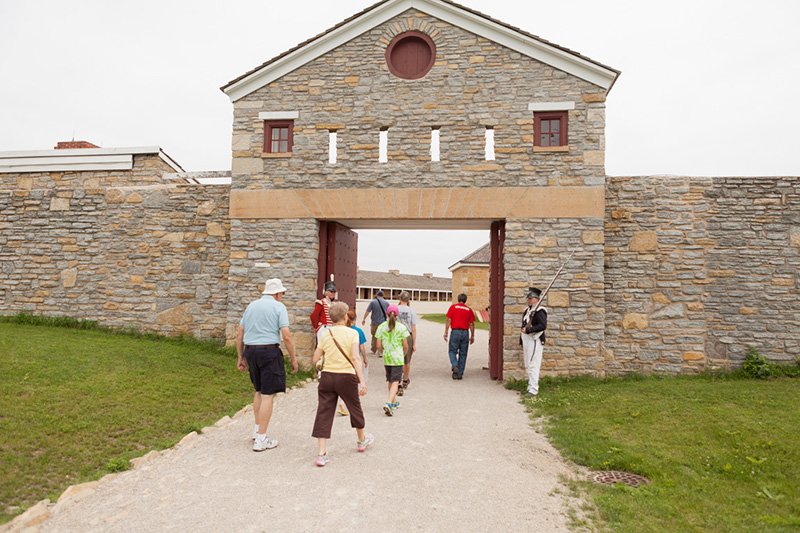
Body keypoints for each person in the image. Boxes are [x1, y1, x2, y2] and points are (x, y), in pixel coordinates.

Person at [236, 278, 298, 452]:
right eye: (282, 293)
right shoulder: (279, 307)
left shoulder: (251, 306)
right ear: (278, 293)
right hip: (269, 351)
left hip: (251, 351)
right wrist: (293, 359)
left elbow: (240, 332)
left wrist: (240, 356)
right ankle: (262, 439)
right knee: (268, 395)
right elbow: (286, 336)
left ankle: (257, 431)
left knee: (258, 391)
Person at [311, 301, 372, 466]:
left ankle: (321, 453)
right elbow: (355, 358)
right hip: (346, 376)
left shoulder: (325, 334)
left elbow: (315, 359)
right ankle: (361, 440)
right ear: (345, 317)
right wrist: (362, 382)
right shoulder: (352, 334)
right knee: (354, 407)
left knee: (324, 411)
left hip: (328, 376)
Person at [375, 305, 409, 416]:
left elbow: (378, 345)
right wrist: (404, 353)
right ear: (397, 315)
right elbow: (405, 345)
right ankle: (389, 402)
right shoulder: (401, 327)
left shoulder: (381, 327)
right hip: (397, 357)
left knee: (390, 380)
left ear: (387, 314)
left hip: (387, 357)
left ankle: (394, 402)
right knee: (396, 381)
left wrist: (382, 351)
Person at [336, 310, 369, 416]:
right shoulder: (358, 331)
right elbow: (362, 347)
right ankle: (344, 403)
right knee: (353, 383)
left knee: (345, 382)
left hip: (343, 358)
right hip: (354, 358)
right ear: (355, 318)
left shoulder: (342, 330)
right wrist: (364, 358)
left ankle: (343, 401)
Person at [520, 287, 547, 396]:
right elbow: (522, 326)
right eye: (529, 298)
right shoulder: (527, 311)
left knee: (533, 365)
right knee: (528, 364)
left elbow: (542, 326)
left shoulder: (540, 310)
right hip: (526, 340)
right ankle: (530, 387)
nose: (529, 300)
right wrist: (521, 341)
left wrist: (529, 330)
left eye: (531, 298)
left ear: (537, 299)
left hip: (534, 340)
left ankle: (534, 389)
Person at [443, 293, 475, 380]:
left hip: (455, 332)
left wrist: (446, 332)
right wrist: (472, 336)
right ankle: (460, 374)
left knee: (452, 351)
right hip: (465, 332)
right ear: (465, 300)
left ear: (458, 299)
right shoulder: (469, 310)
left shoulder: (453, 307)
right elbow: (471, 324)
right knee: (463, 353)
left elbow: (449, 320)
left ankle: (454, 365)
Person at [395, 291, 418, 395]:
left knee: (397, 359)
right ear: (408, 299)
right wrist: (413, 343)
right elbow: (413, 328)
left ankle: (398, 382)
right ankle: (405, 380)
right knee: (406, 360)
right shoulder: (412, 311)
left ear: (399, 298)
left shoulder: (395, 310)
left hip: (397, 335)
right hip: (407, 335)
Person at [362, 290, 389, 354]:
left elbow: (368, 311)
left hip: (374, 322)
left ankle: (374, 349)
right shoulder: (387, 303)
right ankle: (380, 351)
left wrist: (364, 319)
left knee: (374, 336)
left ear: (377, 295)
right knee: (382, 337)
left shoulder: (373, 302)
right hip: (383, 323)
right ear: (383, 295)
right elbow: (389, 313)